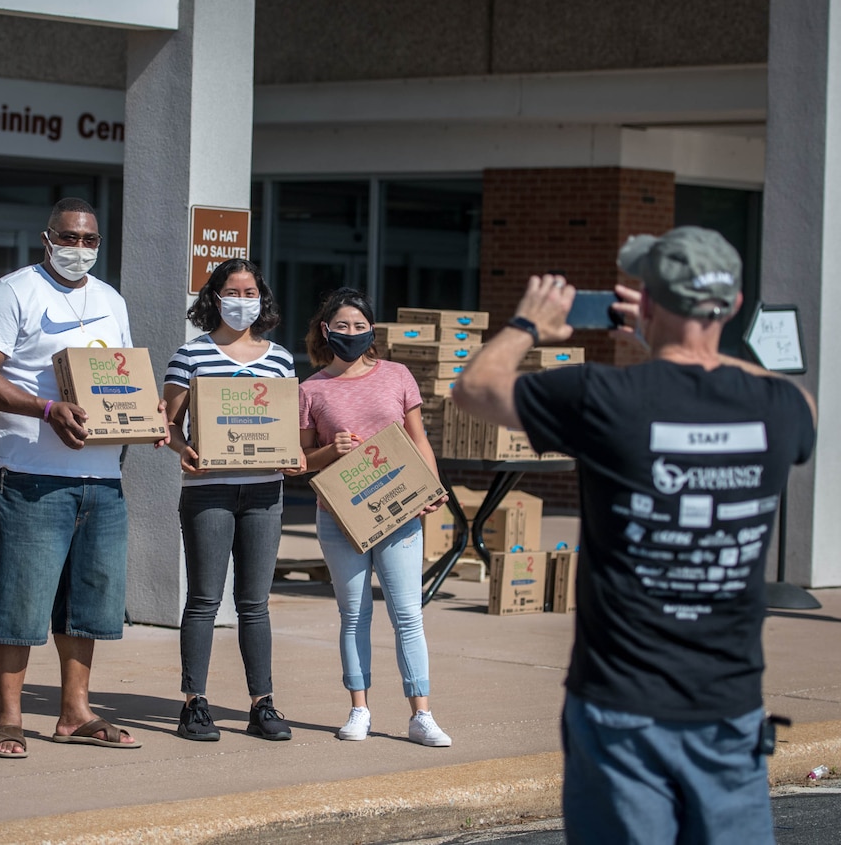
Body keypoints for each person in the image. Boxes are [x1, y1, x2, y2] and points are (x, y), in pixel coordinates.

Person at [452, 227, 817, 844]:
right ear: (732, 306)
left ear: (646, 303)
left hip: (621, 706)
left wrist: (527, 323)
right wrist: (672, 342)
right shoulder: (782, 408)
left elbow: (475, 388)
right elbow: (790, 398)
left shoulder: (603, 396)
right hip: (729, 710)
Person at [0, 197, 166, 759]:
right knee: (21, 602)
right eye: (70, 238)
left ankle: (74, 712)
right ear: (47, 238)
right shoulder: (12, 293)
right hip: (31, 472)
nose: (80, 250)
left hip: (101, 478)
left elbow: (120, 379)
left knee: (89, 602)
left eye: (90, 241)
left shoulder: (110, 300)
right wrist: (45, 410)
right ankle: (9, 718)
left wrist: (148, 420)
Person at [298, 288, 452, 746]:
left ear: (371, 331)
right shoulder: (311, 389)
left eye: (359, 326)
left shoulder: (397, 375)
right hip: (340, 517)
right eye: (341, 326)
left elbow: (417, 437)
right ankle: (359, 708)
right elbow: (301, 459)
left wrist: (432, 483)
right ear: (326, 331)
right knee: (354, 615)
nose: (351, 333)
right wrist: (332, 450)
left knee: (408, 614)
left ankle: (421, 713)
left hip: (399, 510)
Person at [163, 258, 300, 742]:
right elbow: (168, 425)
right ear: (214, 298)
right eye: (233, 291)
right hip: (209, 490)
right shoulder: (191, 355)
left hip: (265, 491)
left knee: (254, 603)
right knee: (203, 600)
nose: (243, 300)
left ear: (261, 299)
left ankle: (262, 703)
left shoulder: (280, 359)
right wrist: (185, 451)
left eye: (251, 291)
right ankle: (193, 703)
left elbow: (285, 426)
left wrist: (293, 455)